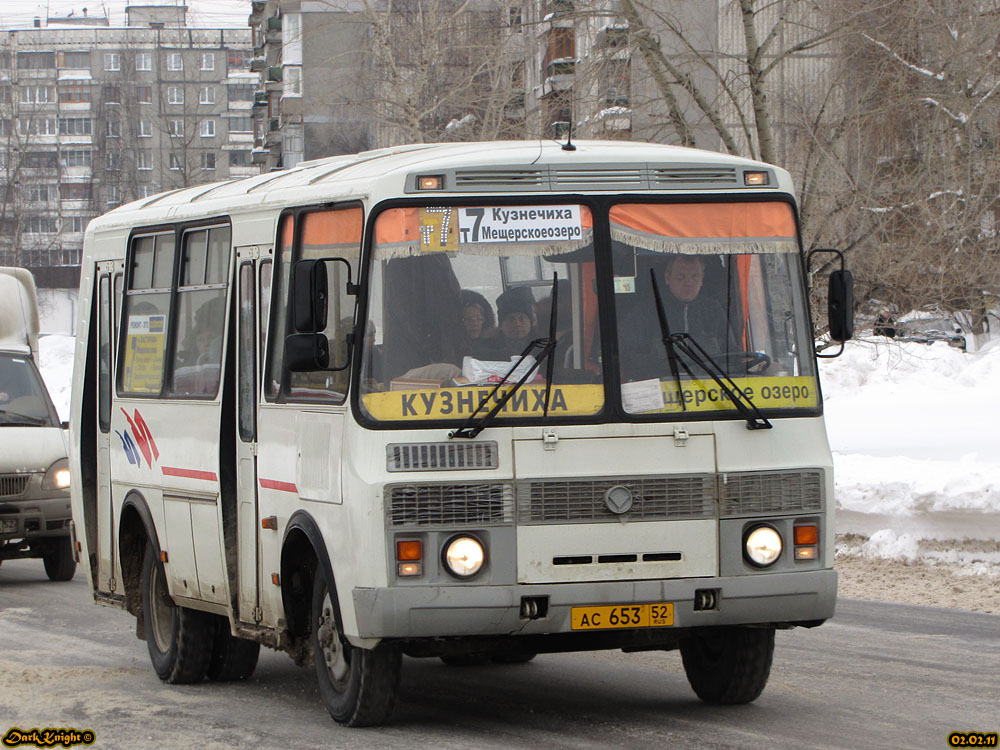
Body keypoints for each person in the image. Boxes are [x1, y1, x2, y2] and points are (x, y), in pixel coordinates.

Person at [620, 253, 738, 380]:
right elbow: (628, 358)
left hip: (711, 393)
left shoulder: (714, 311)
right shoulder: (645, 313)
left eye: (694, 277)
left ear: (702, 279)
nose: (688, 282)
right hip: (662, 393)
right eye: (681, 277)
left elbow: (732, 357)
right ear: (668, 278)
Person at [483, 286, 538, 360]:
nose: (517, 324)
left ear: (530, 321)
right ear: (501, 325)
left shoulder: (542, 347)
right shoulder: (487, 349)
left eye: (522, 318)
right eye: (511, 319)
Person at [459, 289, 496, 359]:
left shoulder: (494, 346)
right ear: (461, 323)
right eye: (469, 319)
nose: (475, 323)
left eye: (479, 318)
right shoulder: (455, 350)